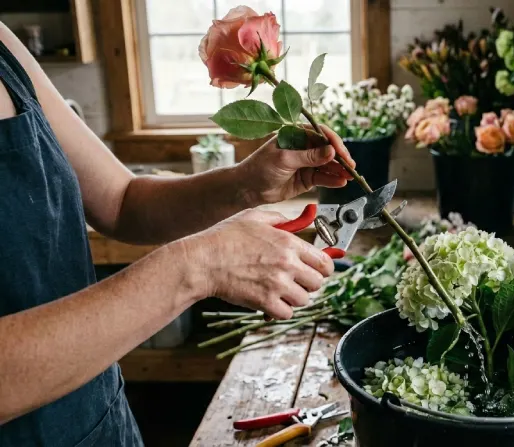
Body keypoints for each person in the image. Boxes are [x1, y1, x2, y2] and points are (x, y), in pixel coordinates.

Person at [0, 23, 356, 446]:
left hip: (99, 423)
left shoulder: (5, 45)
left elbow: (121, 201)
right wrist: (199, 265)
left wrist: (244, 185)